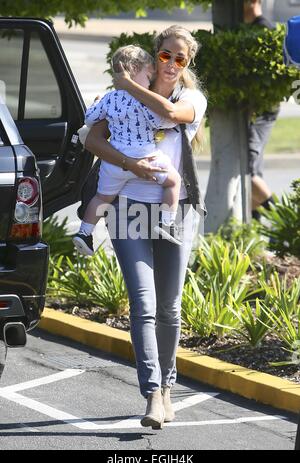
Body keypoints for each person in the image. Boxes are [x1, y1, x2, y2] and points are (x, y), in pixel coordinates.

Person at [82, 25, 207, 429]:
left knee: (170, 308)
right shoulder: (122, 95)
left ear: (188, 63)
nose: (171, 64)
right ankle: (152, 393)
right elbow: (92, 140)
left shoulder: (192, 98)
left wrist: (126, 87)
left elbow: (171, 115)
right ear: (155, 57)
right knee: (143, 303)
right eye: (165, 55)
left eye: (180, 59)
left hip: (177, 212)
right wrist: (131, 165)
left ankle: (168, 388)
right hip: (129, 209)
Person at [73, 45, 183, 255]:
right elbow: (165, 120)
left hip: (114, 162)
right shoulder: (145, 102)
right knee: (174, 182)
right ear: (134, 69)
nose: (150, 81)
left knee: (101, 199)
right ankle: (167, 223)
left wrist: (97, 103)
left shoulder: (109, 98)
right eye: (149, 75)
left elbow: (89, 118)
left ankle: (84, 233)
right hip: (146, 158)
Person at [243, 0, 280, 219]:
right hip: (251, 111)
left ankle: (282, 221)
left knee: (247, 170)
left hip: (260, 111)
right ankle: (253, 238)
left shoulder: (263, 29)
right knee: (253, 171)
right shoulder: (246, 29)